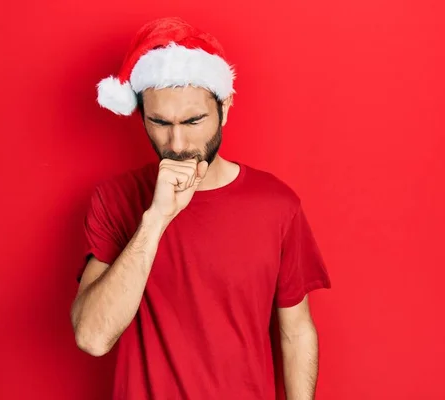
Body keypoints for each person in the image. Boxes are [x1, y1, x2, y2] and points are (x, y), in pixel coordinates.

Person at [70, 16, 331, 400]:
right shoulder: (115, 199)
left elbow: (296, 331)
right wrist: (156, 219)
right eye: (160, 122)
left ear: (224, 108)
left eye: (193, 120)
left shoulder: (277, 205)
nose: (176, 142)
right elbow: (92, 337)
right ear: (141, 115)